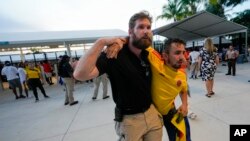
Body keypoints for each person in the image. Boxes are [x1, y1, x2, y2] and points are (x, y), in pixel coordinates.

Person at [74, 11, 163, 141]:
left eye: (149, 27)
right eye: (141, 27)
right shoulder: (114, 54)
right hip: (130, 121)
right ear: (130, 31)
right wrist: (102, 42)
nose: (146, 31)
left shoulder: (148, 54)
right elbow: (80, 74)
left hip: (152, 115)